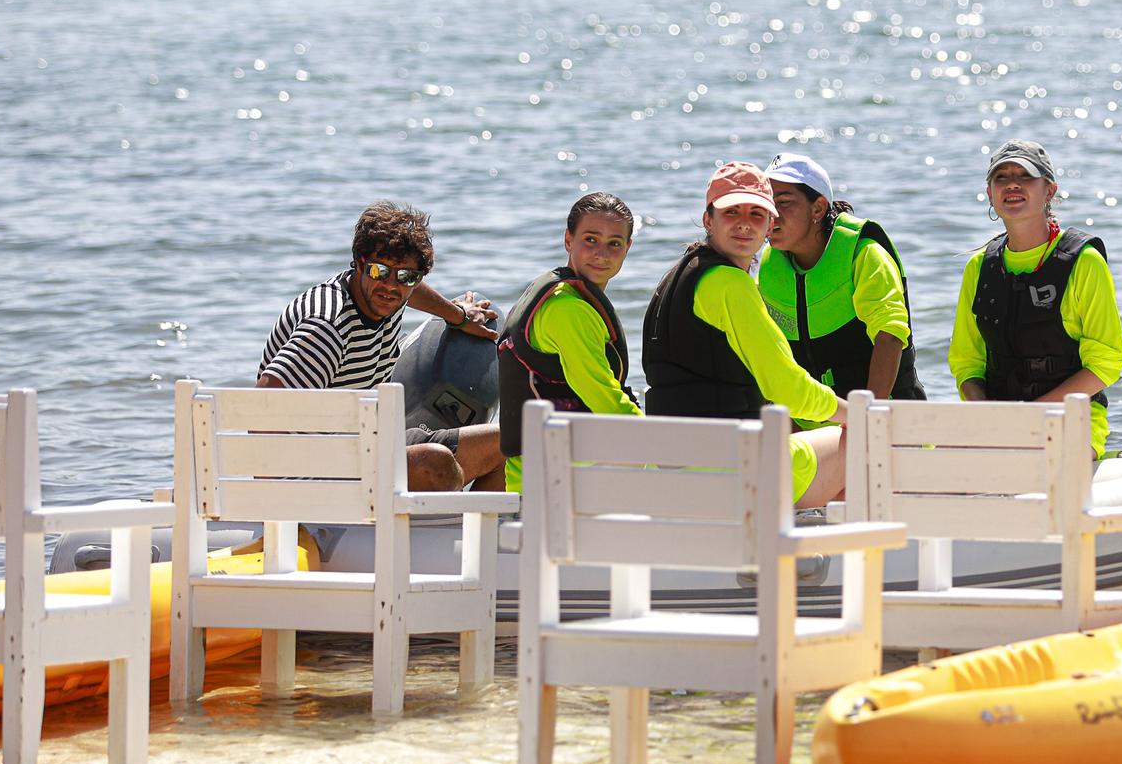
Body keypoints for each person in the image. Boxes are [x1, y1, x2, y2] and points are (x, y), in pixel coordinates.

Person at [258, 200, 505, 492]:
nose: (391, 286)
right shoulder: (328, 328)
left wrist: (458, 316)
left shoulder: (387, 296)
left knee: (511, 444)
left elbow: (408, 289)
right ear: (360, 263)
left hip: (370, 448)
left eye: (406, 277)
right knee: (436, 464)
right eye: (380, 271)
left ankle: (472, 537)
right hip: (321, 477)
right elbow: (265, 404)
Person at [640, 161, 846, 508]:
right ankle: (825, 558)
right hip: (736, 475)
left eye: (756, 214)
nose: (744, 224)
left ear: (769, 225)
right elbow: (786, 387)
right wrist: (852, 413)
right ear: (709, 219)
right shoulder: (731, 286)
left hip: (677, 470)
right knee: (863, 444)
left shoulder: (675, 279)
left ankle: (800, 555)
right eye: (732, 211)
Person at [949, 139, 1122, 458]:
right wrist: (989, 418)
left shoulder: (1085, 262)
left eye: (1025, 176)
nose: (1012, 184)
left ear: (1049, 191)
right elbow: (966, 362)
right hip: (997, 424)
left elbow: (1106, 364)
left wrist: (1030, 418)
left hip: (1072, 423)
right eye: (1001, 177)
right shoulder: (978, 268)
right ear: (989, 193)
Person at [757, 151, 926, 411]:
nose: (772, 214)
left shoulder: (864, 255)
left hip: (885, 418)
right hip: (811, 427)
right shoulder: (770, 266)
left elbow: (890, 337)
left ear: (818, 207)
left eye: (784, 202)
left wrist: (865, 422)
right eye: (768, 203)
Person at [497, 192, 641, 494]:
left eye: (614, 243)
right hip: (559, 488)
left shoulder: (562, 295)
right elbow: (605, 399)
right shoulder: (569, 310)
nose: (602, 253)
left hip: (541, 480)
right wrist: (665, 441)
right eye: (590, 239)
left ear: (628, 248)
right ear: (568, 240)